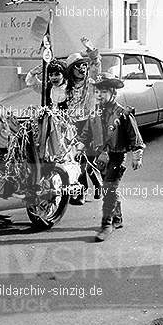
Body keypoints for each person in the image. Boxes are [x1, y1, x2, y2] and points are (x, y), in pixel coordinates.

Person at [77, 73, 144, 242]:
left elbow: (134, 137)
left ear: (113, 93)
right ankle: (118, 218)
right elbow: (86, 133)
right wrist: (79, 147)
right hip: (101, 157)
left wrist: (137, 156)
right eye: (97, 92)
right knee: (110, 187)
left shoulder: (123, 113)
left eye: (104, 92)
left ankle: (106, 224)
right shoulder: (94, 113)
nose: (99, 95)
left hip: (117, 155)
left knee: (108, 187)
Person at [64, 37, 102, 205]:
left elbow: (96, 63)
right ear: (71, 70)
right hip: (72, 126)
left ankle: (98, 184)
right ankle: (81, 194)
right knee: (76, 161)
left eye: (84, 66)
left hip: (89, 125)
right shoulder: (67, 87)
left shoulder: (91, 82)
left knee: (88, 160)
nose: (82, 69)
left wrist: (90, 48)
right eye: (78, 66)